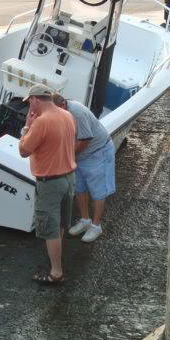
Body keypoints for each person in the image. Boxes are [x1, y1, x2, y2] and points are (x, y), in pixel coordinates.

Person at [18, 84, 76, 285]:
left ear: (35, 99)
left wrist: (26, 128)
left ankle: (56, 272)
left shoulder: (41, 122)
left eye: (29, 102)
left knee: (49, 228)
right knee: (59, 224)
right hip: (69, 178)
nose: (29, 107)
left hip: (50, 182)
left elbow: (24, 150)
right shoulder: (66, 115)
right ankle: (56, 259)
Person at [52, 94, 115, 243]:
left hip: (97, 152)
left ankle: (96, 226)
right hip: (80, 156)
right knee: (79, 188)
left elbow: (85, 140)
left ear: (62, 105)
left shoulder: (77, 112)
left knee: (98, 191)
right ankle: (85, 220)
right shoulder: (59, 113)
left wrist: (66, 155)